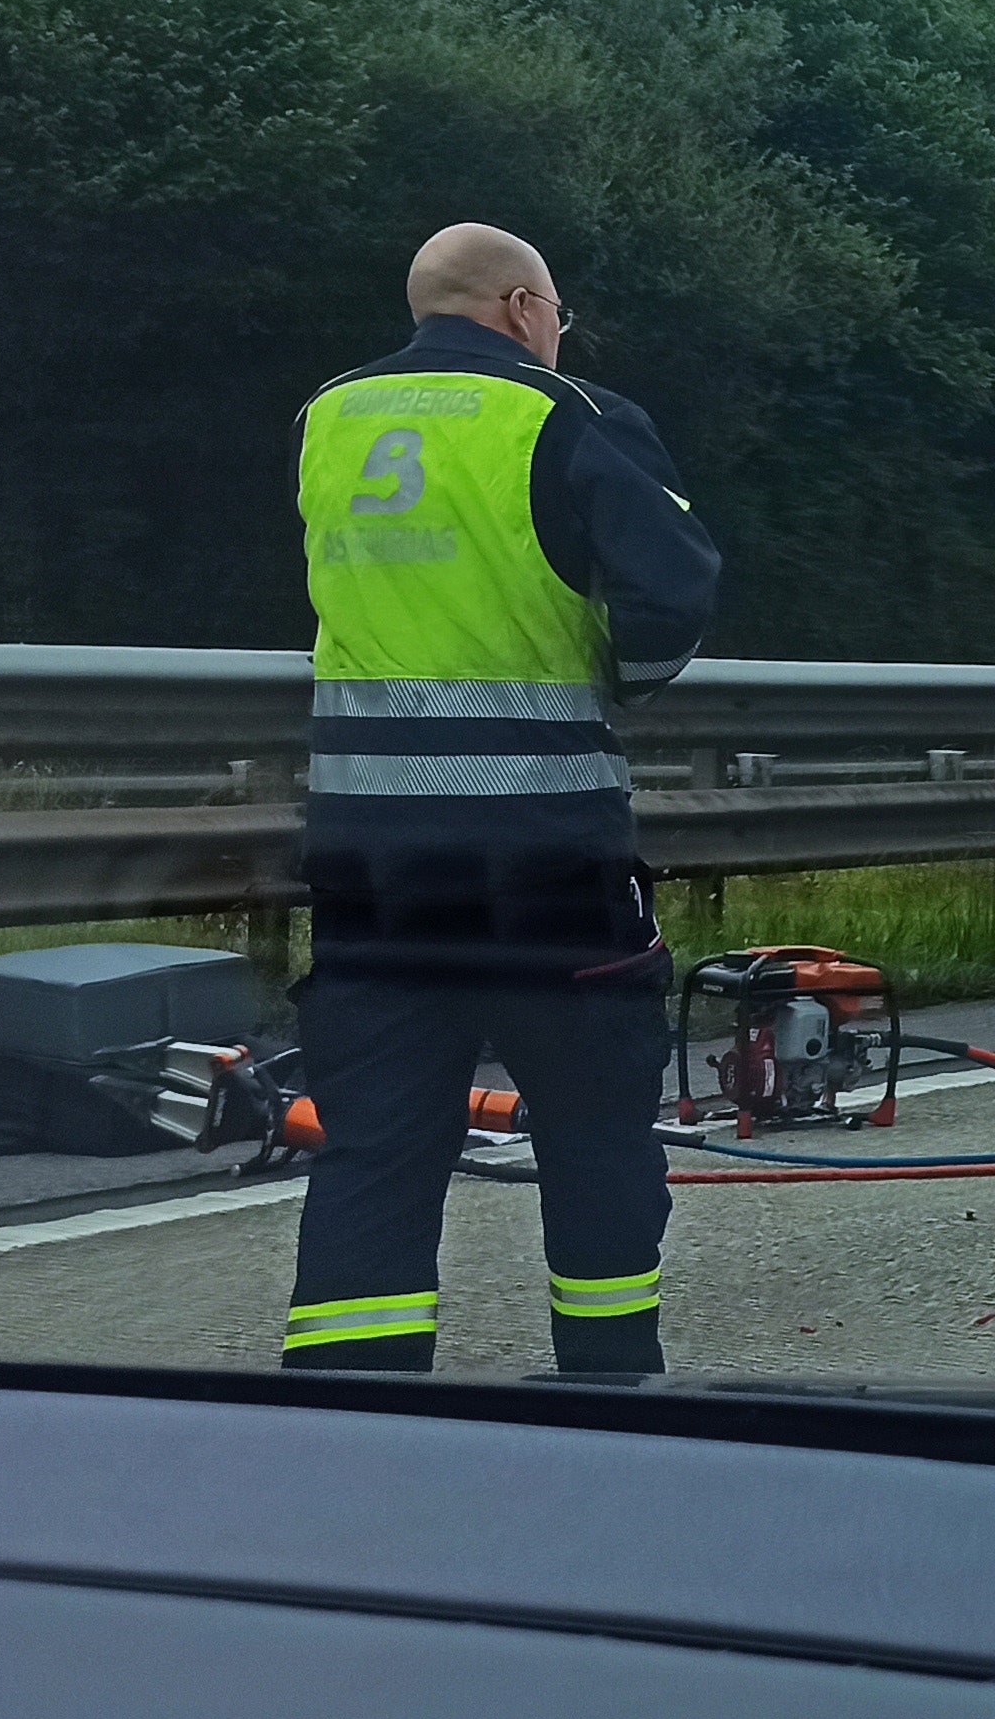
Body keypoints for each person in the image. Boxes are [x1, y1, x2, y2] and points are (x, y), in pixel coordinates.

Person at [280, 222, 721, 1375]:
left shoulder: (326, 415)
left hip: (369, 859)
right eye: (559, 317)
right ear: (524, 306)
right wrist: (624, 677)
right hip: (544, 849)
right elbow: (673, 589)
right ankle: (610, 1379)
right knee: (594, 1130)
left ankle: (350, 1406)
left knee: (375, 1141)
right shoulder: (565, 414)